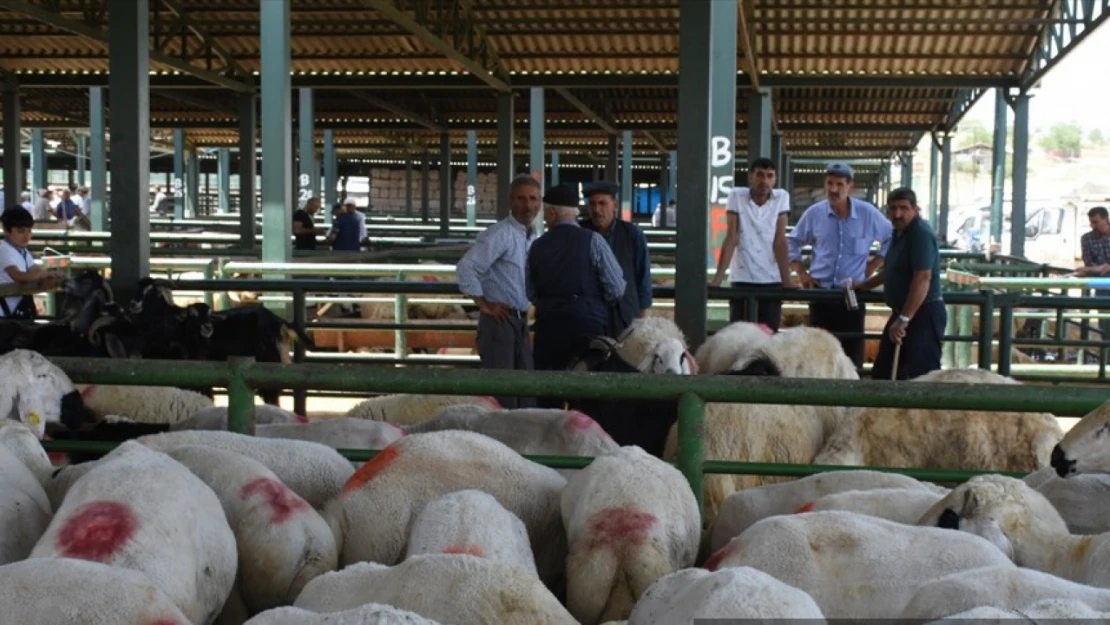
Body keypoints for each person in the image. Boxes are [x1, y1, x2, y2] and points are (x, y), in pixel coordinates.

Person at [787, 162, 893, 367]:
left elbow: (892, 238)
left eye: (839, 184)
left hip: (852, 295)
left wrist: (874, 265)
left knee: (851, 353)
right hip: (821, 293)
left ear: (850, 187)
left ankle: (850, 394)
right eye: (830, 183)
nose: (834, 189)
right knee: (818, 353)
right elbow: (792, 240)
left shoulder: (868, 214)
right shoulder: (815, 213)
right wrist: (801, 272)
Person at [456, 174, 541, 409]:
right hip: (499, 321)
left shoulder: (532, 236)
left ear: (540, 203)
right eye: (521, 199)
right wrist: (484, 304)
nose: (528, 205)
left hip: (519, 319)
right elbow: (466, 267)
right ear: (510, 202)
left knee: (524, 390)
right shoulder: (500, 234)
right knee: (503, 395)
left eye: (533, 199)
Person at [527, 182, 626, 377]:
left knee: (548, 388)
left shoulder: (537, 246)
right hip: (588, 326)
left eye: (546, 214)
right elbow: (616, 288)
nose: (546, 218)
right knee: (589, 390)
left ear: (553, 214)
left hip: (549, 327)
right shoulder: (594, 241)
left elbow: (529, 291)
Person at [854, 188, 945, 380]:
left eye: (903, 208)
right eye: (893, 208)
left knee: (919, 376)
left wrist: (904, 319)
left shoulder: (920, 234)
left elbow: (923, 277)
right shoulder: (898, 232)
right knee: (884, 372)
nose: (897, 214)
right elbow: (892, 269)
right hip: (903, 312)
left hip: (921, 314)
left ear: (916, 209)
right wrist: (865, 285)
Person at [710, 158, 795, 331]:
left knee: (768, 336)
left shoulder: (781, 197)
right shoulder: (737, 195)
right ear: (751, 177)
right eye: (760, 175)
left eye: (769, 176)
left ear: (775, 179)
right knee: (739, 337)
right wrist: (718, 279)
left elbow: (779, 240)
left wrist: (786, 282)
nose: (764, 181)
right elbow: (731, 237)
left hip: (771, 280)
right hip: (742, 277)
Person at [580, 180, 652, 337]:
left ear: (615, 205)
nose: (597, 210)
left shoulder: (632, 234)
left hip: (624, 314)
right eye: (592, 204)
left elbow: (643, 276)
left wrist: (640, 318)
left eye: (602, 203)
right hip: (589, 315)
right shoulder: (579, 233)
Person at [0, 207, 65, 320]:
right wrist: (44, 274)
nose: (26, 236)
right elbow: (19, 276)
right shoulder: (4, 250)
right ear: (6, 230)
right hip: (4, 314)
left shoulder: (23, 251)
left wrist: (49, 275)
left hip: (16, 311)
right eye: (20, 231)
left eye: (29, 230)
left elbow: (34, 270)